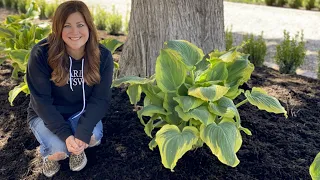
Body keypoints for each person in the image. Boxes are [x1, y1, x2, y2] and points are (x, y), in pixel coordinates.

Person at [26, 0, 113, 177]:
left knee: (92, 137)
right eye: (67, 26)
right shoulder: (41, 53)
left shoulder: (102, 56)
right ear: (58, 29)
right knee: (59, 149)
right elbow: (41, 102)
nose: (75, 32)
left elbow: (100, 99)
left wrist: (82, 133)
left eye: (80, 25)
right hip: (45, 116)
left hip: (80, 112)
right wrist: (66, 135)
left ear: (89, 26)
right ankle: (49, 157)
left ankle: (76, 146)